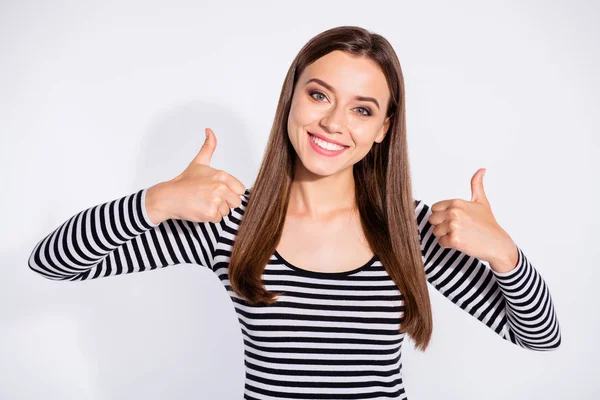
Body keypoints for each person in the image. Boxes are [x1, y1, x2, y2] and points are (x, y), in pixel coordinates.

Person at [28, 25, 561, 400]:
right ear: (291, 100)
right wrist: (158, 200)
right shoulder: (229, 224)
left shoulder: (412, 232)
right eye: (318, 94)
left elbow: (538, 335)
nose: (333, 122)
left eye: (361, 109)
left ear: (382, 130)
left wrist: (503, 254)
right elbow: (52, 262)